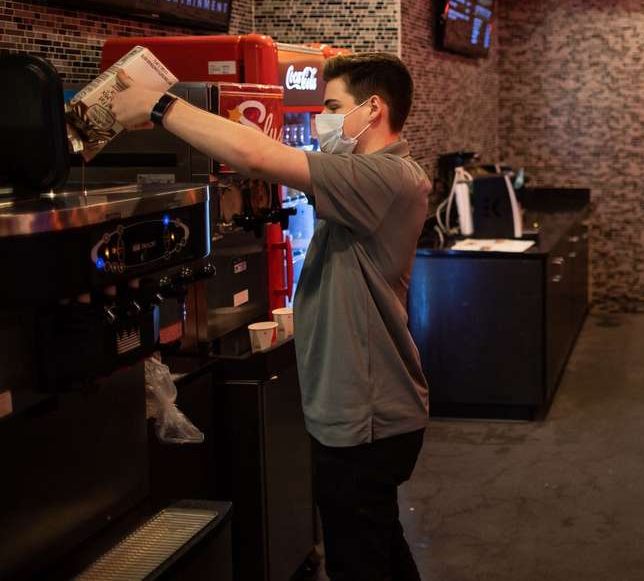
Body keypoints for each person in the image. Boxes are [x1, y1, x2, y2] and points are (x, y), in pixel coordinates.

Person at [112, 52, 432, 581]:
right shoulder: (367, 177)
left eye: (333, 106)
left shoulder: (385, 176)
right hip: (366, 408)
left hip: (369, 413)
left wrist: (158, 105)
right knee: (378, 546)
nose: (324, 120)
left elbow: (258, 158)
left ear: (373, 108)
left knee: (360, 562)